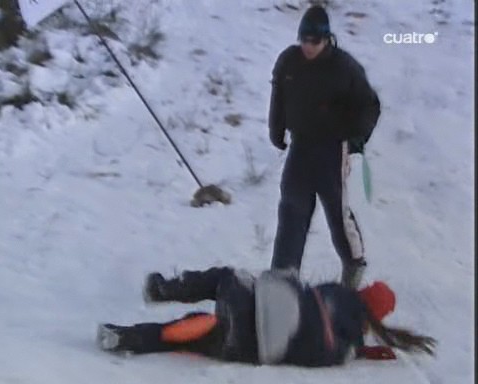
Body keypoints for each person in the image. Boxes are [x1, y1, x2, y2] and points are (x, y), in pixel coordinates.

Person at [97, 268, 435, 367]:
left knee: (222, 278)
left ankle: (162, 289)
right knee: (197, 333)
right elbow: (323, 349)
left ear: (362, 293)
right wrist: (367, 352)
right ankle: (124, 337)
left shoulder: (338, 293)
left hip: (251, 303)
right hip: (251, 347)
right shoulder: (346, 347)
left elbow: (292, 285)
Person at [268, 5, 381, 289]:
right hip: (301, 145)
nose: (307, 46)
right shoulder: (288, 62)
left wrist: (357, 137)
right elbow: (278, 97)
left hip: (332, 149)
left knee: (336, 211)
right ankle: (283, 274)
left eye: (314, 41)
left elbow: (369, 105)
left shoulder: (344, 67)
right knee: (292, 207)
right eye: (303, 40)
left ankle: (354, 263)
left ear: (327, 39)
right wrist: (276, 129)